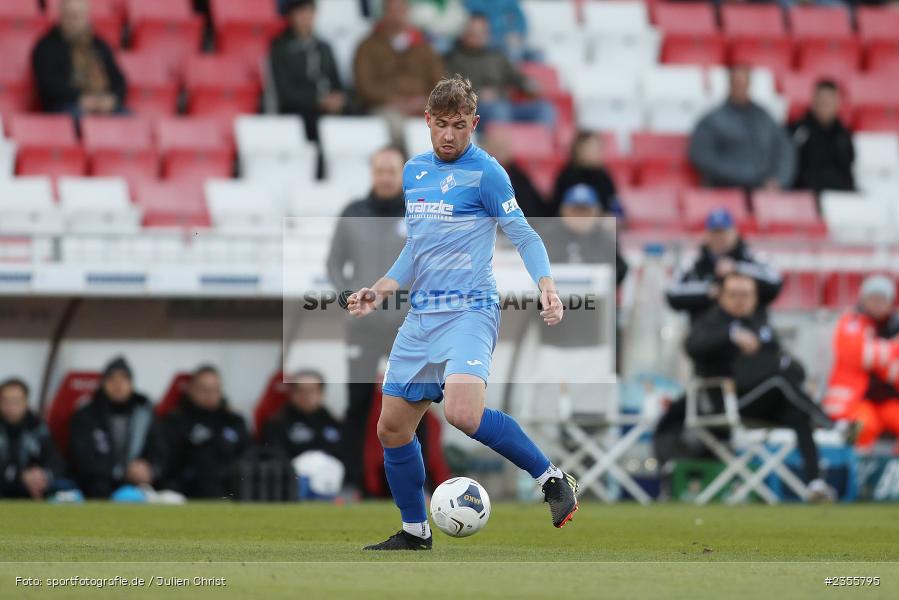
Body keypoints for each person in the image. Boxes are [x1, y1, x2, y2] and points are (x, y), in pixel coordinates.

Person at [347, 75, 576, 551]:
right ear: (426, 121)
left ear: (474, 124)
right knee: (392, 428)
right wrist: (381, 289)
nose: (449, 135)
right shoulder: (414, 172)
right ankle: (415, 531)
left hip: (471, 309)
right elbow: (417, 247)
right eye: (441, 125)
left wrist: (547, 286)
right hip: (422, 316)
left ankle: (552, 479)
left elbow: (525, 234)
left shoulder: (487, 173)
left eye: (459, 126)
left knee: (462, 413)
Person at [683, 272, 835, 501]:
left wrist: (779, 363)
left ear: (755, 298)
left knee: (797, 411)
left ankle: (815, 483)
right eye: (734, 294)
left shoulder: (760, 325)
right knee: (779, 377)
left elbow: (796, 368)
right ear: (721, 296)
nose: (740, 300)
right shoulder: (710, 322)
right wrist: (731, 335)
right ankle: (830, 424)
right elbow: (692, 347)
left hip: (765, 402)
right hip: (727, 403)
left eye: (746, 295)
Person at [68, 358, 164, 498]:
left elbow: (159, 449)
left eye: (124, 380)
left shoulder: (145, 413)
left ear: (131, 384)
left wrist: (149, 470)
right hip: (98, 484)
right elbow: (82, 457)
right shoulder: (86, 415)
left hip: (140, 483)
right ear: (103, 383)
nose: (118, 385)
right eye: (112, 379)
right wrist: (121, 472)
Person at [666, 208, 782, 323]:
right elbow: (672, 293)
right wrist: (710, 291)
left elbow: (774, 282)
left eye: (724, 232)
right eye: (715, 233)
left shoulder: (752, 258)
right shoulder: (694, 263)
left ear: (735, 232)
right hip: (705, 330)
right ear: (707, 234)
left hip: (750, 328)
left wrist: (737, 268)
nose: (719, 238)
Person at [353, 0, 445, 144]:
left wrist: (425, 101)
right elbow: (364, 86)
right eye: (392, 11)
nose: (396, 16)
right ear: (384, 13)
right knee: (399, 129)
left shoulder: (424, 46)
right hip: (385, 107)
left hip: (422, 106)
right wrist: (393, 101)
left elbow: (440, 82)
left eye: (401, 10)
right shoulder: (367, 46)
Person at [689, 66, 795, 190]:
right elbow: (702, 156)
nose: (741, 87)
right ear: (730, 84)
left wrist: (779, 180)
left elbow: (784, 148)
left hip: (763, 189)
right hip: (725, 189)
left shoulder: (764, 117)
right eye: (737, 83)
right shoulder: (712, 120)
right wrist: (744, 176)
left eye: (744, 83)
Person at [823, 275, 899, 448]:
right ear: (863, 299)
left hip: (890, 400)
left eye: (882, 298)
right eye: (873, 298)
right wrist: (893, 351)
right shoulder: (850, 322)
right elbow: (856, 354)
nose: (877, 303)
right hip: (856, 402)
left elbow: (870, 355)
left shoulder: (895, 325)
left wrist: (876, 355)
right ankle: (854, 464)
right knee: (860, 428)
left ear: (890, 302)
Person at [444, 14, 553, 129]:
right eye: (474, 32)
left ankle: (536, 140)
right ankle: (503, 140)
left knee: (544, 109)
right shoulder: (453, 59)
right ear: (464, 33)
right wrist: (478, 94)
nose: (479, 36)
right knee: (499, 110)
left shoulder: (496, 55)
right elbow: (450, 90)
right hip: (475, 111)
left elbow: (515, 76)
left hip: (505, 105)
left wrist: (528, 83)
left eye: (483, 32)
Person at [161, 365, 250, 499]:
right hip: (186, 492)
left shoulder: (234, 421)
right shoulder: (176, 421)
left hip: (231, 492)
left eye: (215, 389)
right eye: (204, 389)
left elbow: (247, 454)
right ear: (191, 389)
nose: (210, 395)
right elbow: (168, 460)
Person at [32, 0, 127, 115]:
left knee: (128, 117)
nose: (74, 21)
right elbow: (48, 85)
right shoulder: (46, 46)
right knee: (78, 114)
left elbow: (119, 80)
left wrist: (111, 99)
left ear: (87, 17)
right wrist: (80, 98)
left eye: (79, 16)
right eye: (70, 16)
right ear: (61, 16)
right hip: (66, 105)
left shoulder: (100, 45)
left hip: (103, 105)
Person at [270, 0, 346, 143]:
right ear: (291, 15)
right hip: (301, 109)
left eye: (310, 11)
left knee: (360, 118)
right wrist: (318, 100)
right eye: (301, 12)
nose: (306, 16)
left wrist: (338, 98)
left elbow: (337, 82)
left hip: (328, 106)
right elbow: (286, 92)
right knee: (316, 125)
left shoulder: (324, 47)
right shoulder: (281, 48)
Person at [0, 378, 63, 499]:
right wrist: (20, 476)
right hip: (5, 485)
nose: (10, 407)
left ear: (26, 402)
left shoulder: (37, 427)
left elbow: (55, 460)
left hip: (33, 487)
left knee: (65, 485)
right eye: (5, 401)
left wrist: (43, 475)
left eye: (15, 401)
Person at [789, 80, 855, 194]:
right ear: (813, 100)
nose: (825, 103)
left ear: (837, 103)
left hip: (839, 195)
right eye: (821, 99)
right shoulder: (798, 130)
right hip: (805, 194)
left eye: (829, 100)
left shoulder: (844, 135)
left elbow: (847, 169)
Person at [260, 370, 342, 460]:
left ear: (321, 393)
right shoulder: (276, 425)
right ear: (291, 393)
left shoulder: (335, 423)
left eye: (311, 390)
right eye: (300, 390)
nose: (305, 396)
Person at [481, 128, 547, 218]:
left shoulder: (519, 177)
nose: (500, 153)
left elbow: (530, 207)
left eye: (503, 148)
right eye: (496, 148)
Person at [552, 132, 620, 218]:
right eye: (591, 148)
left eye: (598, 149)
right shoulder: (567, 176)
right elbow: (558, 209)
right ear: (578, 150)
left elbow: (615, 207)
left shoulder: (604, 177)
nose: (596, 153)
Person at [462, 0, 527, 59]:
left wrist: (516, 33)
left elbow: (520, 22)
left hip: (504, 40)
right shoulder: (473, 3)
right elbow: (467, 22)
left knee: (514, 48)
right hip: (481, 40)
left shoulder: (509, 2)